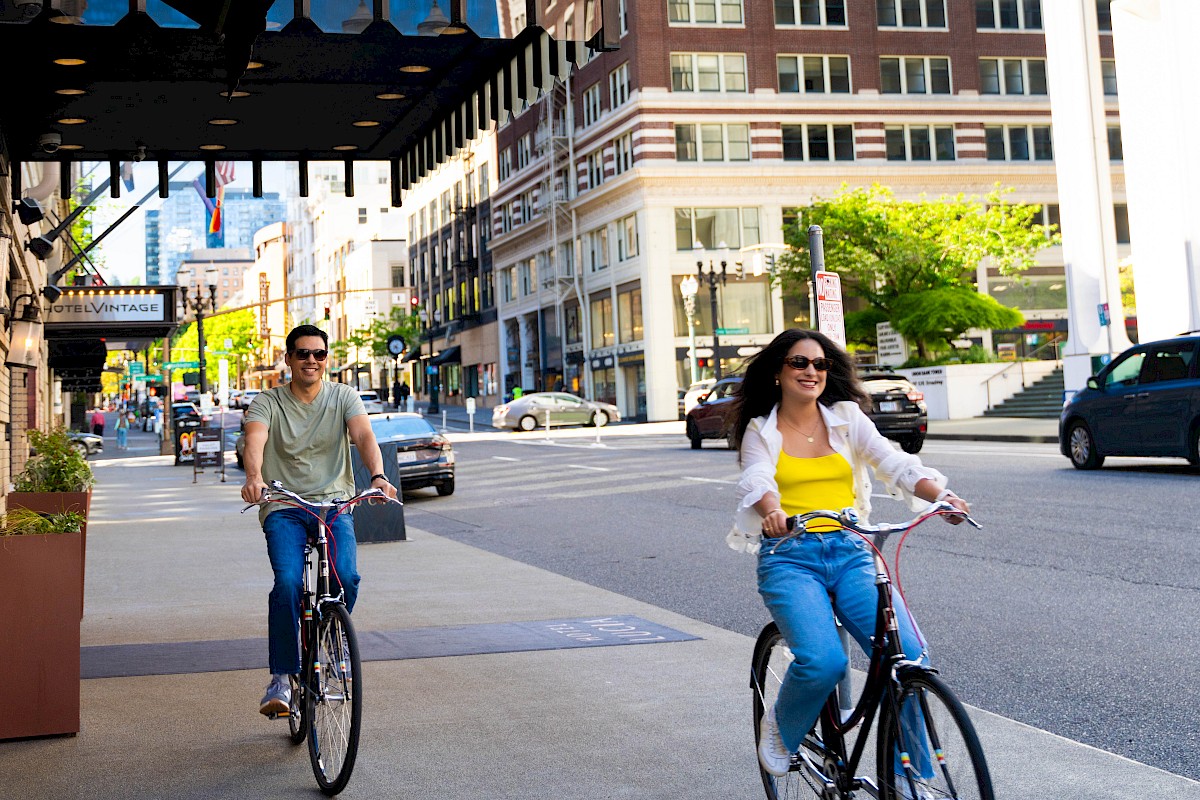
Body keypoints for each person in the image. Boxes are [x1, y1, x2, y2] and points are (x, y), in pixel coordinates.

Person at [726, 329, 971, 780]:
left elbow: (893, 462)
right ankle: (781, 727)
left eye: (820, 364)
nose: (812, 372)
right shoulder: (761, 431)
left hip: (851, 549)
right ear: (779, 371)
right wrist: (774, 510)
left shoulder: (846, 417)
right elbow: (757, 480)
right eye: (799, 363)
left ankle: (910, 780)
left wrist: (943, 497)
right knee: (824, 661)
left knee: (910, 658)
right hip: (789, 555)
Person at [240, 324, 398, 717]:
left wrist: (377, 475)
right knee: (289, 582)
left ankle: (332, 632)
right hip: (284, 505)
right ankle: (281, 678)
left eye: (319, 354)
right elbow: (255, 441)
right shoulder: (268, 401)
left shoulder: (344, 396)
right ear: (289, 359)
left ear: (327, 359)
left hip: (335, 503)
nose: (312, 360)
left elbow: (364, 437)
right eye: (303, 354)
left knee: (347, 576)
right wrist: (254, 479)